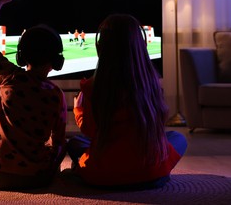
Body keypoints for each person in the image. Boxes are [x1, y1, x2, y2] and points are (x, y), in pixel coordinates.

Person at [67, 14, 187, 190]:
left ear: (102, 46)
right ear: (140, 45)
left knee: (75, 143)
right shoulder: (150, 82)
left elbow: (91, 131)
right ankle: (151, 170)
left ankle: (85, 169)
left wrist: (78, 109)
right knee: (178, 138)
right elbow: (157, 125)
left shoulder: (93, 86)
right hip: (152, 175)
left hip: (103, 176)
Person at [0, 0, 67, 190]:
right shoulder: (56, 95)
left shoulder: (8, 77)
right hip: (38, 179)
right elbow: (58, 143)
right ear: (56, 60)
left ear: (21, 56)